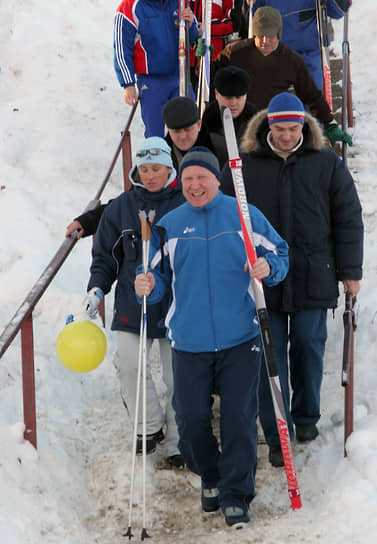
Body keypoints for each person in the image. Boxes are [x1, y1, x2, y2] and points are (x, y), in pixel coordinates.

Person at [134, 147, 289, 526]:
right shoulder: (169, 225)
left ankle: (236, 492)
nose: (195, 185)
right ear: (180, 183)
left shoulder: (243, 215)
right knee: (188, 418)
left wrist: (269, 267)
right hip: (188, 340)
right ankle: (211, 476)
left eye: (202, 177)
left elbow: (281, 254)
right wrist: (148, 285)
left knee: (238, 416)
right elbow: (156, 279)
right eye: (188, 179)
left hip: (240, 337)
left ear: (216, 180)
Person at [220, 92, 363, 467]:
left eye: (293, 128)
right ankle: (276, 429)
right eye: (280, 128)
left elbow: (348, 217)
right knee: (269, 354)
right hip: (262, 276)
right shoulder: (244, 166)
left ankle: (305, 417)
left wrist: (350, 272)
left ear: (305, 126)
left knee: (307, 347)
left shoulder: (326, 163)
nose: (286, 136)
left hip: (314, 273)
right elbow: (222, 216)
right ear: (268, 125)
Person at [80, 137, 187, 470]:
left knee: (178, 374)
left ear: (170, 167)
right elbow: (105, 257)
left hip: (175, 303)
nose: (150, 175)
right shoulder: (122, 206)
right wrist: (97, 288)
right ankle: (147, 427)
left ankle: (178, 440)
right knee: (129, 364)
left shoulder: (185, 201)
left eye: (156, 168)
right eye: (144, 169)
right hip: (132, 299)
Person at [65, 97, 214, 240]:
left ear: (199, 125)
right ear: (168, 129)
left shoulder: (220, 153)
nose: (182, 136)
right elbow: (132, 200)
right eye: (176, 131)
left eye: (188, 130)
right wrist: (89, 221)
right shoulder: (158, 159)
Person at [213, 6, 352, 147]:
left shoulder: (290, 59)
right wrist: (204, 59)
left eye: (270, 36)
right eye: (261, 35)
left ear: (278, 34)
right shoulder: (235, 53)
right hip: (238, 124)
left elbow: (310, 94)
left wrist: (329, 124)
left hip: (271, 126)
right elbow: (212, 77)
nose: (265, 41)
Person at [113, 0, 198, 138]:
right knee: (155, 133)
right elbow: (122, 49)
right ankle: (155, 158)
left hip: (180, 76)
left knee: (188, 127)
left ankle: (186, 159)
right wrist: (127, 83)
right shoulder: (129, 7)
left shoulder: (179, 3)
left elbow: (191, 37)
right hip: (151, 81)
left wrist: (191, 25)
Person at [236, 1, 351, 90]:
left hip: (308, 50)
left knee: (312, 96)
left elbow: (337, 11)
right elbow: (250, 19)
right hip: (272, 50)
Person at [201, 65, 257, 168]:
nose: (233, 103)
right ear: (216, 94)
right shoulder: (205, 124)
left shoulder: (258, 124)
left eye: (238, 97)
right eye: (228, 97)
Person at [189, 0, 235, 92]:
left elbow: (233, 24)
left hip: (213, 61)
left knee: (211, 100)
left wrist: (207, 28)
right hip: (186, 61)